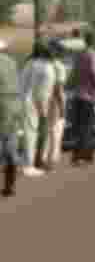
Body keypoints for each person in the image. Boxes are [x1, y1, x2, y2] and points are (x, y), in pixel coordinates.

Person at [17, 42, 55, 177]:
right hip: (32, 103)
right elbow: (43, 93)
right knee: (31, 135)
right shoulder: (46, 67)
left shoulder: (29, 63)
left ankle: (25, 163)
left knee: (27, 134)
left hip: (22, 100)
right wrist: (43, 109)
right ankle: (28, 166)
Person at [71, 34, 95, 166]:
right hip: (88, 96)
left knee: (79, 126)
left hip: (77, 95)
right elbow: (94, 72)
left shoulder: (79, 55)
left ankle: (77, 156)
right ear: (93, 42)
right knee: (88, 126)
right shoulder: (92, 55)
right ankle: (86, 155)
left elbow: (73, 74)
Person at [40, 43, 67, 171]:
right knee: (56, 131)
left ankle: (44, 158)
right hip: (55, 100)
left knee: (47, 130)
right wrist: (62, 106)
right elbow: (58, 88)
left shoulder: (43, 65)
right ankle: (51, 161)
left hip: (44, 99)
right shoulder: (59, 66)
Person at [0, 40, 21, 196]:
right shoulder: (12, 63)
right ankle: (10, 186)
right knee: (11, 149)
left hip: (3, 107)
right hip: (14, 108)